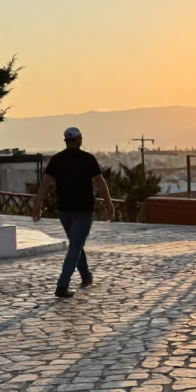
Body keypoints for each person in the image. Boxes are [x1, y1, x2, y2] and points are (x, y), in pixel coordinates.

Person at [33, 126, 114, 298]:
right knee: (76, 245)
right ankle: (62, 285)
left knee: (76, 243)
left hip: (64, 210)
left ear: (65, 141)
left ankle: (86, 276)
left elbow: (45, 184)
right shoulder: (88, 159)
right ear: (80, 140)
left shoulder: (56, 159)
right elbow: (100, 183)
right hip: (83, 210)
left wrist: (37, 204)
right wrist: (109, 204)